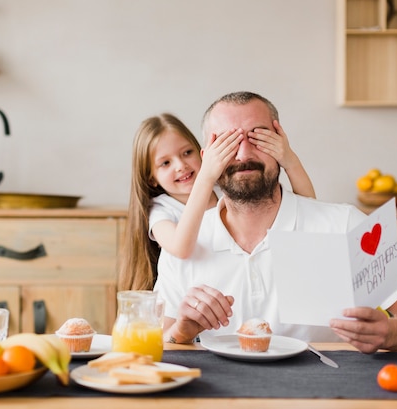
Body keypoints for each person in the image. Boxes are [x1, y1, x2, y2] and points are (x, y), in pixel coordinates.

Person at [156, 91, 397, 354]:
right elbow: (155, 348)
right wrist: (180, 331)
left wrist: (391, 332)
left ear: (280, 143)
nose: (243, 155)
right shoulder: (185, 242)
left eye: (258, 138)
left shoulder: (346, 225)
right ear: (207, 159)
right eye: (229, 143)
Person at [119, 112, 315, 291]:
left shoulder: (224, 191)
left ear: (201, 152)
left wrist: (289, 161)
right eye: (165, 163)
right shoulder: (161, 210)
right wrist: (206, 176)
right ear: (151, 178)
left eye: (187, 153)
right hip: (197, 299)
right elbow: (181, 248)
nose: (181, 166)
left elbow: (309, 208)